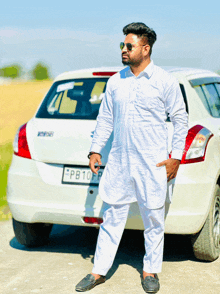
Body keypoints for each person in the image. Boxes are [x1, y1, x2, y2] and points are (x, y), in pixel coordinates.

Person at [75, 22, 188, 293]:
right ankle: (98, 271)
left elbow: (181, 119)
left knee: (153, 219)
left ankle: (150, 271)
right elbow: (104, 119)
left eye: (129, 46)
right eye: (122, 45)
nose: (124, 50)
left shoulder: (165, 81)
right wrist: (95, 150)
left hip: (154, 162)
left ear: (146, 49)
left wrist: (176, 157)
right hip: (120, 161)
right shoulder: (116, 81)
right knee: (111, 216)